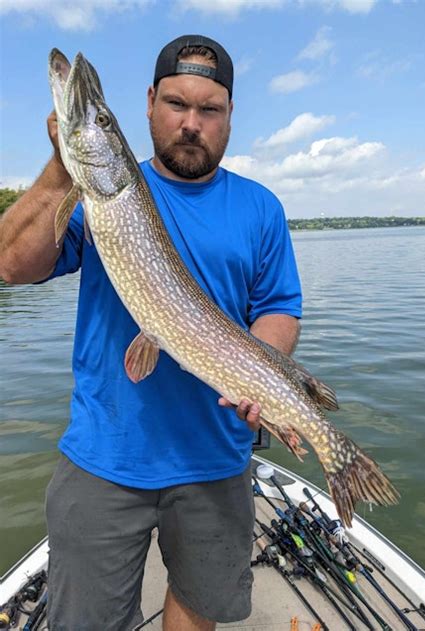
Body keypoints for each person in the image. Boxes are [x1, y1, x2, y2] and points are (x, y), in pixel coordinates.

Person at [0, 35, 302, 631]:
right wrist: (66, 163)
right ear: (148, 105)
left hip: (217, 457)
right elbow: (9, 264)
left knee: (195, 613)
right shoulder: (93, 194)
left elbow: (278, 308)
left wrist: (260, 375)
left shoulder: (260, 207)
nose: (191, 124)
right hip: (104, 456)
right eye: (176, 104)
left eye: (208, 109)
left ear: (229, 114)